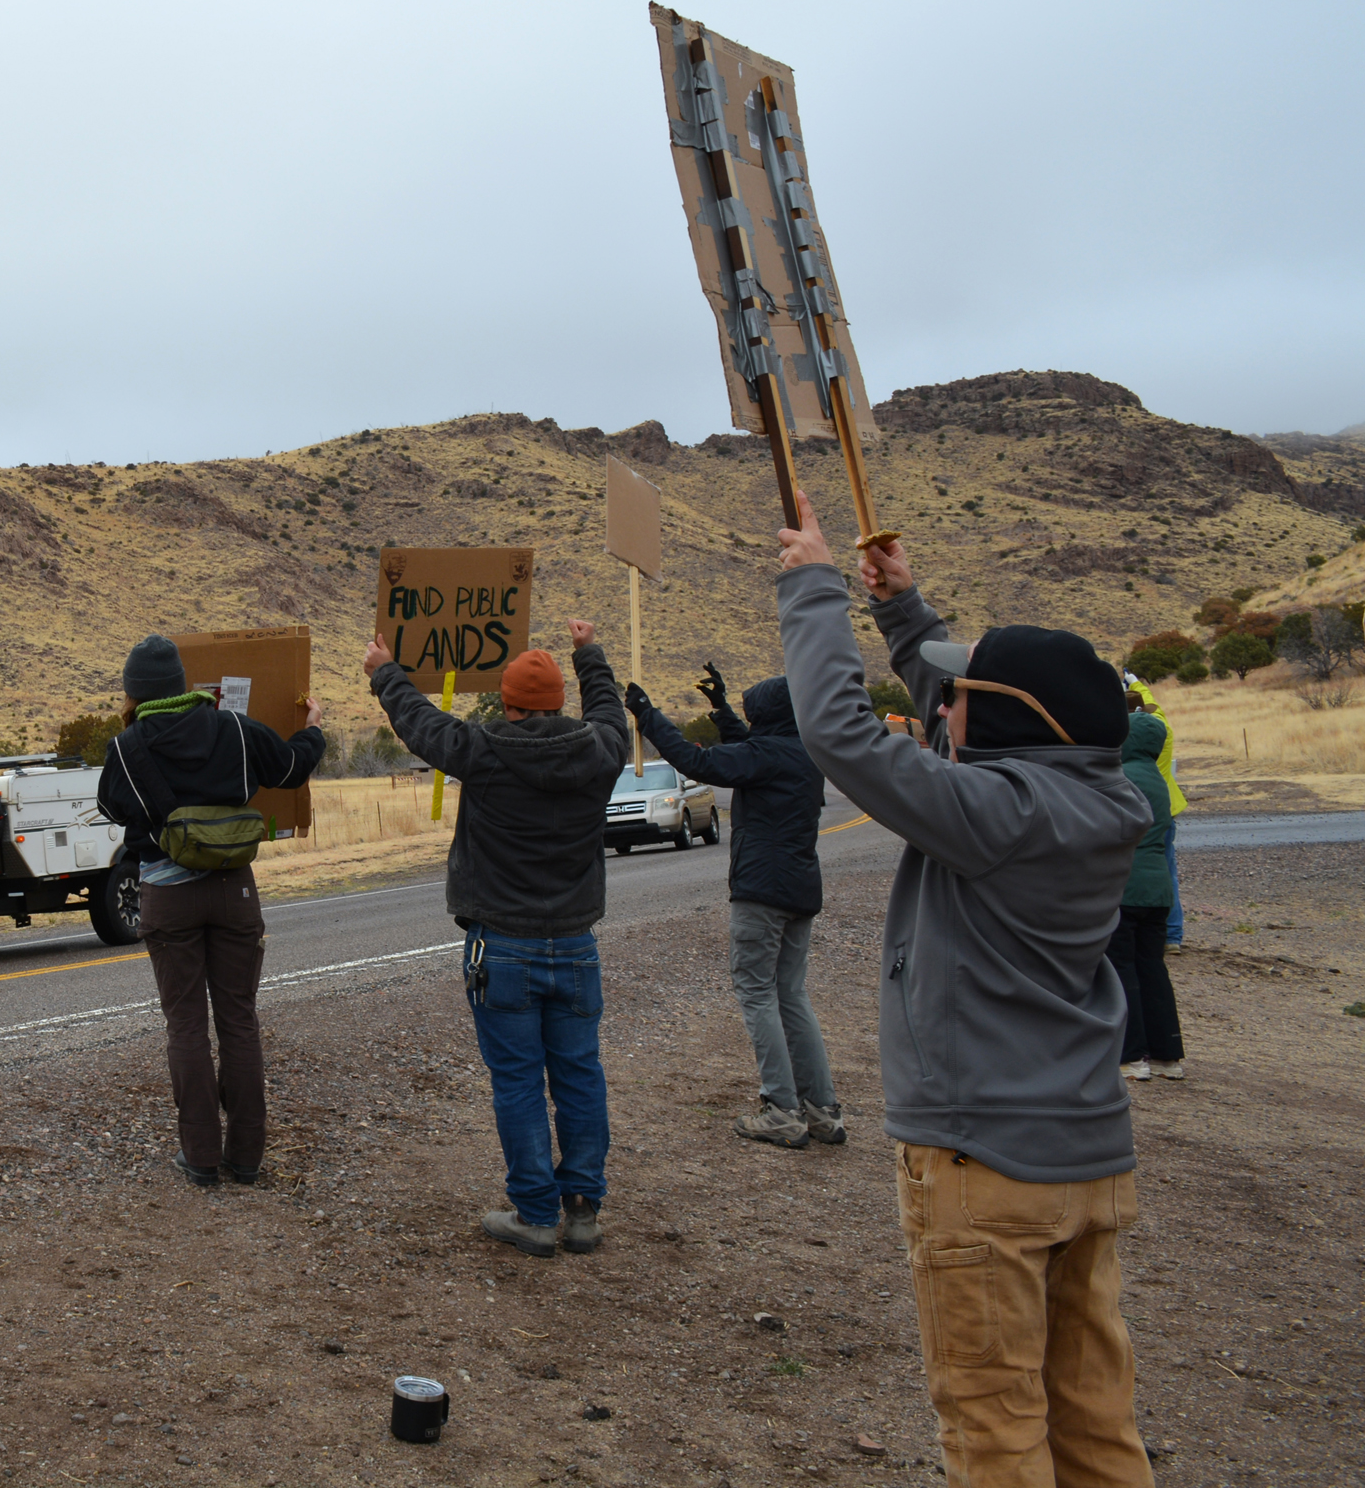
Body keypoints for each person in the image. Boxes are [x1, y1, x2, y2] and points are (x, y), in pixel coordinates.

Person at [774, 492, 1154, 1488]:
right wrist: (906, 614)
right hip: (1084, 1154)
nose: (944, 707)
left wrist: (811, 587)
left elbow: (840, 734)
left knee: (995, 1436)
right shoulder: (1099, 796)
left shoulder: (998, 813)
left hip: (985, 1165)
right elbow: (980, 727)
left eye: (962, 698)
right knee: (1095, 1426)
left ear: (1009, 729)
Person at [365, 623, 627, 1261]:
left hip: (501, 946)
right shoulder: (599, 751)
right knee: (580, 1074)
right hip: (574, 943)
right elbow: (610, 712)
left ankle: (536, 1215)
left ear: (506, 705)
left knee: (516, 1081)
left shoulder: (482, 749)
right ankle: (583, 1209)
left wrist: (384, 672)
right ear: (560, 703)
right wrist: (589, 653)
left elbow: (421, 724)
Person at [96, 635, 325, 1189]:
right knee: (239, 1021)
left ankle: (200, 1157)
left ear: (134, 694)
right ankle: (247, 1156)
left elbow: (109, 807)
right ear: (182, 683)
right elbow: (292, 767)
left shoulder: (125, 749)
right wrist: (313, 725)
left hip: (167, 898)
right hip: (235, 893)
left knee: (186, 1027)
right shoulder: (233, 730)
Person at [626, 666, 840, 1148]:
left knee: (757, 992)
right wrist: (721, 711)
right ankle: (821, 1110)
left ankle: (781, 1109)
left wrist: (647, 714)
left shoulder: (765, 755)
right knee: (792, 996)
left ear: (764, 717)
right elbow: (753, 749)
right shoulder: (802, 753)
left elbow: (695, 761)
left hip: (761, 890)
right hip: (801, 888)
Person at [1113, 710, 1186, 1081]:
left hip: (1125, 887)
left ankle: (1131, 1055)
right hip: (1158, 890)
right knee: (1152, 968)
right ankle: (1167, 1054)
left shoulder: (1121, 776)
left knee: (1121, 968)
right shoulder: (1158, 778)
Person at [1123, 676, 1190, 946]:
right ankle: (1172, 934)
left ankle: (1134, 929)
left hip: (1131, 808)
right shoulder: (1161, 728)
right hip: (1167, 807)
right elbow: (1155, 707)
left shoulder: (1122, 739)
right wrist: (1137, 684)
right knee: (1166, 870)